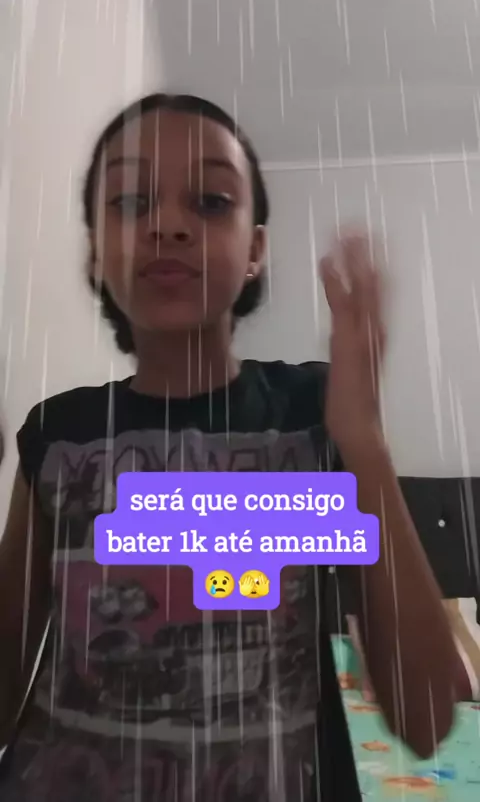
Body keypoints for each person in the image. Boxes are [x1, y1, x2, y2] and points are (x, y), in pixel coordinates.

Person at [0, 93, 461, 801]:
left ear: (255, 251)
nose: (168, 225)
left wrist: (363, 443)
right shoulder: (59, 434)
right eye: (131, 201)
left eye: (211, 201)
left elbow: (426, 720)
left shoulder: (311, 419)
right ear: (95, 251)